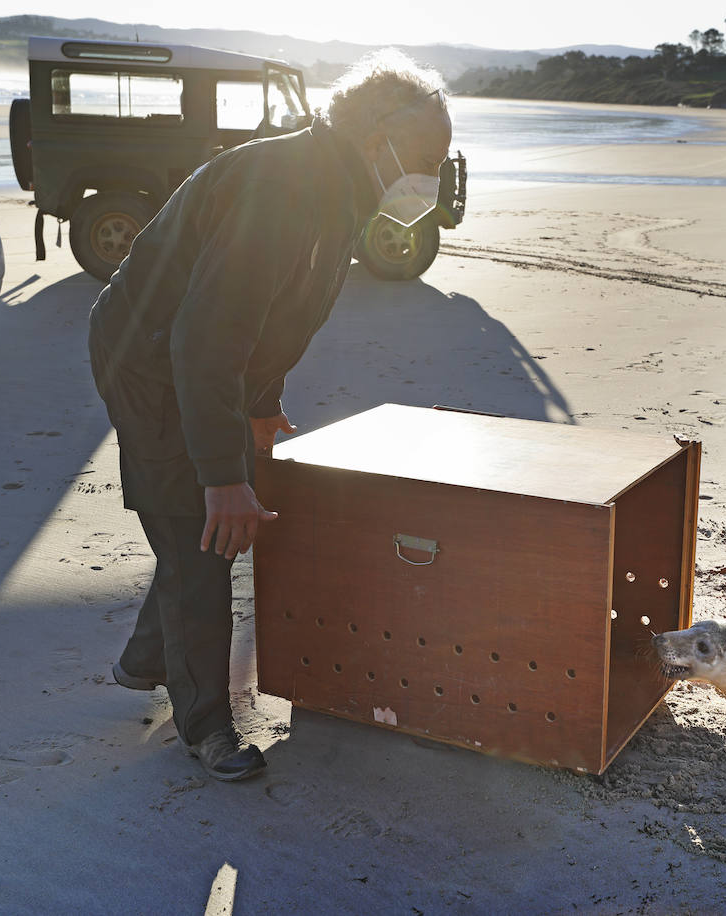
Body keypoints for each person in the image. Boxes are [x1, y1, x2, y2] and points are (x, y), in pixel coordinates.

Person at [87, 50, 454, 781]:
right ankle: (205, 726)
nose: (433, 177)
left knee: (188, 518)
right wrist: (223, 477)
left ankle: (143, 659)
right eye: (425, 156)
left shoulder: (340, 188)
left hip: (202, 356)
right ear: (374, 136)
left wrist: (262, 405)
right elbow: (205, 341)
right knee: (202, 530)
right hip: (150, 357)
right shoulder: (281, 187)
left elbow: (283, 317)